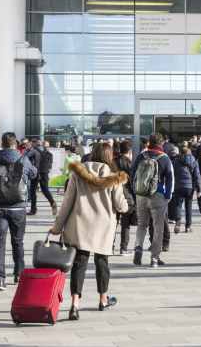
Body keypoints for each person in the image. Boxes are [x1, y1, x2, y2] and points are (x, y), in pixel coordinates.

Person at [51, 142, 128, 321]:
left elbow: (67, 203)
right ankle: (103, 299)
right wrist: (126, 205)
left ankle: (75, 304)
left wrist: (57, 227)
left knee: (79, 263)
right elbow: (120, 205)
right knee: (102, 262)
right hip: (103, 226)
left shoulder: (77, 173)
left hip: (79, 225)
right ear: (109, 157)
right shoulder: (113, 176)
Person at [0, 132, 37, 291]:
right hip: (18, 207)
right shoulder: (22, 159)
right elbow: (34, 173)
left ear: (2, 144)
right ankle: (18, 274)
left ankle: (0, 279)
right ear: (14, 144)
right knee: (18, 241)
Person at [131, 134, 174, 268]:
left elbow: (132, 174)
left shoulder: (141, 156)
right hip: (158, 196)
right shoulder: (165, 158)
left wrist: (135, 192)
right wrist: (168, 195)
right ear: (161, 144)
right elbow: (171, 178)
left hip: (141, 195)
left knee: (141, 224)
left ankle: (138, 247)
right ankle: (154, 258)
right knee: (158, 227)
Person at [169, 145, 201, 234]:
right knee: (188, 207)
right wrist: (199, 189)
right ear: (189, 153)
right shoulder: (194, 161)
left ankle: (178, 224)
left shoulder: (176, 161)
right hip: (189, 187)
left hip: (178, 186)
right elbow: (197, 176)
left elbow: (172, 173)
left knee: (178, 205)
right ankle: (188, 226)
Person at [114, 140, 136, 255]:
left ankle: (110, 246)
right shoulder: (130, 163)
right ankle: (123, 248)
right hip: (126, 195)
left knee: (113, 222)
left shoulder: (113, 161)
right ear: (130, 151)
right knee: (125, 223)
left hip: (113, 194)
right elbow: (133, 181)